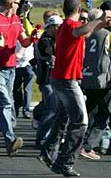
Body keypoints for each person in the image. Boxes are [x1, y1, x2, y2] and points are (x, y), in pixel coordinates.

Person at [37, 0, 105, 177]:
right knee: (81, 122)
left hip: (60, 79)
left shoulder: (64, 28)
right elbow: (82, 30)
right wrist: (98, 19)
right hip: (67, 80)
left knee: (63, 117)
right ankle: (65, 162)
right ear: (78, 9)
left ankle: (47, 151)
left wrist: (101, 23)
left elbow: (87, 33)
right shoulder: (69, 26)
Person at [80, 7, 111, 160]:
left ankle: (77, 143)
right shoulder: (108, 36)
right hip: (103, 81)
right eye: (105, 18)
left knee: (89, 113)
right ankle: (87, 146)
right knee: (103, 115)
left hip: (86, 79)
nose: (109, 20)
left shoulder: (84, 35)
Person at [0, 0, 33, 157]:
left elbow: (24, 42)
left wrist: (32, 38)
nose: (18, 6)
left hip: (11, 68)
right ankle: (10, 139)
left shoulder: (16, 20)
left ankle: (9, 142)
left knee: (8, 102)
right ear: (9, 4)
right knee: (5, 102)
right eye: (17, 3)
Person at [34, 14, 63, 149]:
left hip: (55, 78)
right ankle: (41, 137)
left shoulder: (53, 38)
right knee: (51, 108)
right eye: (58, 27)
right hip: (46, 79)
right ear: (51, 27)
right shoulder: (45, 40)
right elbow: (53, 51)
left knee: (53, 108)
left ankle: (48, 136)